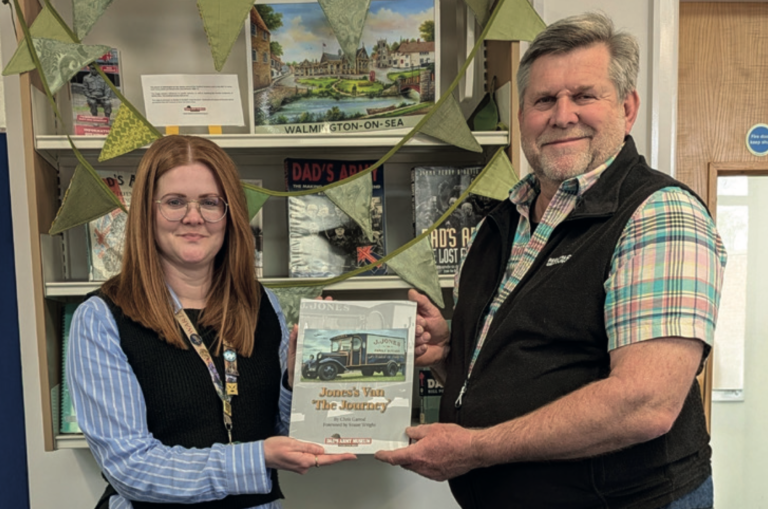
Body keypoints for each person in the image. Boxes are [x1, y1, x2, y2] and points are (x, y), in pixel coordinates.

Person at [375, 12, 726, 509]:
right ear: (522, 117)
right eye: (544, 100)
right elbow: (536, 360)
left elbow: (645, 404)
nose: (562, 115)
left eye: (584, 95)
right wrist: (448, 356)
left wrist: (474, 449)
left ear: (627, 108)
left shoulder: (660, 214)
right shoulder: (501, 221)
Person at [67, 135, 355, 509]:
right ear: (146, 213)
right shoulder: (102, 318)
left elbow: (284, 436)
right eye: (174, 202)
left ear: (229, 212)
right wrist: (256, 458)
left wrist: (296, 383)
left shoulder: (261, 302)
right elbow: (131, 466)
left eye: (209, 202)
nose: (193, 217)